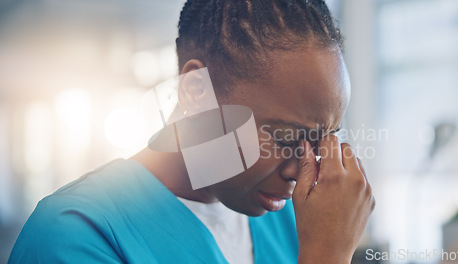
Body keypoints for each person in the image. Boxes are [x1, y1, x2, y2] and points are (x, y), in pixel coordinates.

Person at [9, 0, 375, 263]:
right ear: (197, 91)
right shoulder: (76, 233)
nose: (302, 170)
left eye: (323, 139)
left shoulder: (292, 219)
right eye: (284, 137)